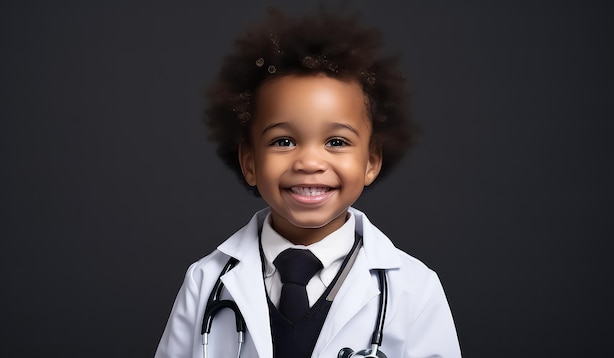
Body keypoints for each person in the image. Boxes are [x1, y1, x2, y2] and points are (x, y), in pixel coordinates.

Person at [155, 7, 461, 358]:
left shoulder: (414, 288)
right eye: (283, 141)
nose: (310, 163)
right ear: (250, 162)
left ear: (371, 162)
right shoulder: (206, 280)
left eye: (337, 142)